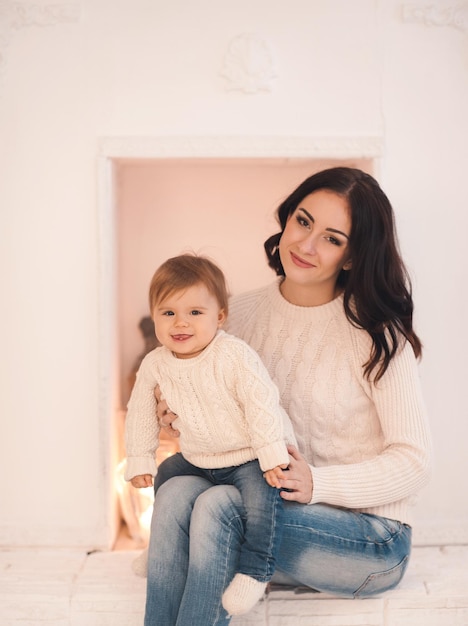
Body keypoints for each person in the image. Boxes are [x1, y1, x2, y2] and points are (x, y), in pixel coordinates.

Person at [141, 166, 432, 626]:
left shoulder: (377, 335)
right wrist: (174, 411)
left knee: (220, 507)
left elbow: (414, 461)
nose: (306, 245)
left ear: (353, 256)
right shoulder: (234, 315)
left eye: (333, 239)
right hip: (265, 507)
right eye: (303, 221)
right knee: (177, 490)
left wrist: (318, 483)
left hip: (368, 540)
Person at [124, 254, 298, 616]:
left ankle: (255, 570)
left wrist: (271, 453)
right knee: (169, 472)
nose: (180, 323)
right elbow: (140, 410)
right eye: (168, 312)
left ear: (219, 317)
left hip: (250, 452)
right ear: (154, 315)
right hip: (202, 456)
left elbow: (261, 402)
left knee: (263, 499)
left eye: (195, 313)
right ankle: (163, 541)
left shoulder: (233, 355)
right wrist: (140, 458)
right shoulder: (156, 362)